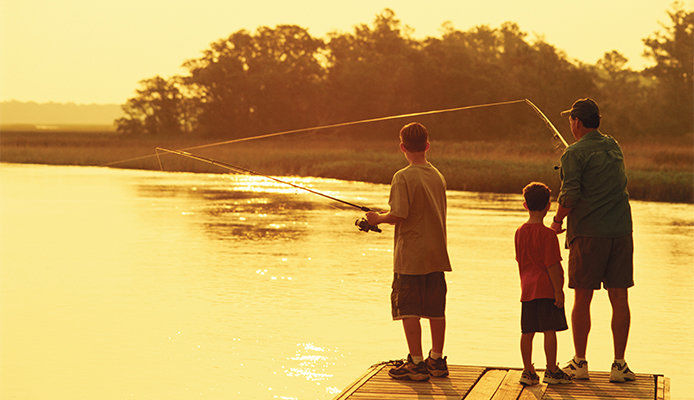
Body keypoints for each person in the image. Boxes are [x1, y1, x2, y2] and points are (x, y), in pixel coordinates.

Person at [551, 98, 636, 383]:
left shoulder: (573, 154)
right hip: (621, 232)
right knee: (620, 297)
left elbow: (570, 195)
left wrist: (556, 220)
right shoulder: (613, 145)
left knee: (582, 298)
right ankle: (619, 365)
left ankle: (579, 362)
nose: (570, 125)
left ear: (576, 121)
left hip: (588, 234)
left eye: (570, 120)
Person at [365, 122, 451, 381]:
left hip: (411, 256)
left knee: (409, 309)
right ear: (427, 145)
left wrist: (376, 219)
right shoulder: (437, 175)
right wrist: (384, 215)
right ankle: (436, 360)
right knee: (436, 309)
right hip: (436, 253)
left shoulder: (402, 176)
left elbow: (399, 214)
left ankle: (416, 363)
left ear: (402, 147)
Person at [515, 182, 573, 386]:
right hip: (546, 290)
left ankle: (527, 370)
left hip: (527, 290)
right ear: (549, 206)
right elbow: (552, 267)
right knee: (549, 330)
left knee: (527, 331)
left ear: (525, 205)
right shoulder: (548, 235)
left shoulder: (520, 231)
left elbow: (523, 257)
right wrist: (559, 292)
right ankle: (551, 369)